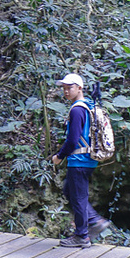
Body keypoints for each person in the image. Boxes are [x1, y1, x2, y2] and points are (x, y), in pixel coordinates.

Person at [48, 73, 111, 248]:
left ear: (80, 88)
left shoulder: (77, 110)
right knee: (71, 191)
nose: (66, 91)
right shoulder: (88, 106)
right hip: (87, 159)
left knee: (78, 197)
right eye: (64, 88)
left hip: (79, 159)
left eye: (70, 87)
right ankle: (92, 222)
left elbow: (72, 139)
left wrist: (59, 157)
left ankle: (83, 234)